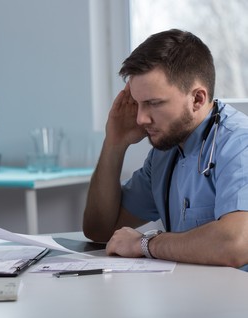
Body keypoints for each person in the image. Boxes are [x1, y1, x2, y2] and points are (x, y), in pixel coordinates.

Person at [83, 29, 248, 270]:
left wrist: (145, 244)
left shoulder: (239, 144)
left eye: (153, 103)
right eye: (138, 104)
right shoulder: (164, 153)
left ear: (198, 99)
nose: (140, 119)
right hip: (192, 297)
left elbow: (235, 243)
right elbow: (100, 229)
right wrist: (114, 144)